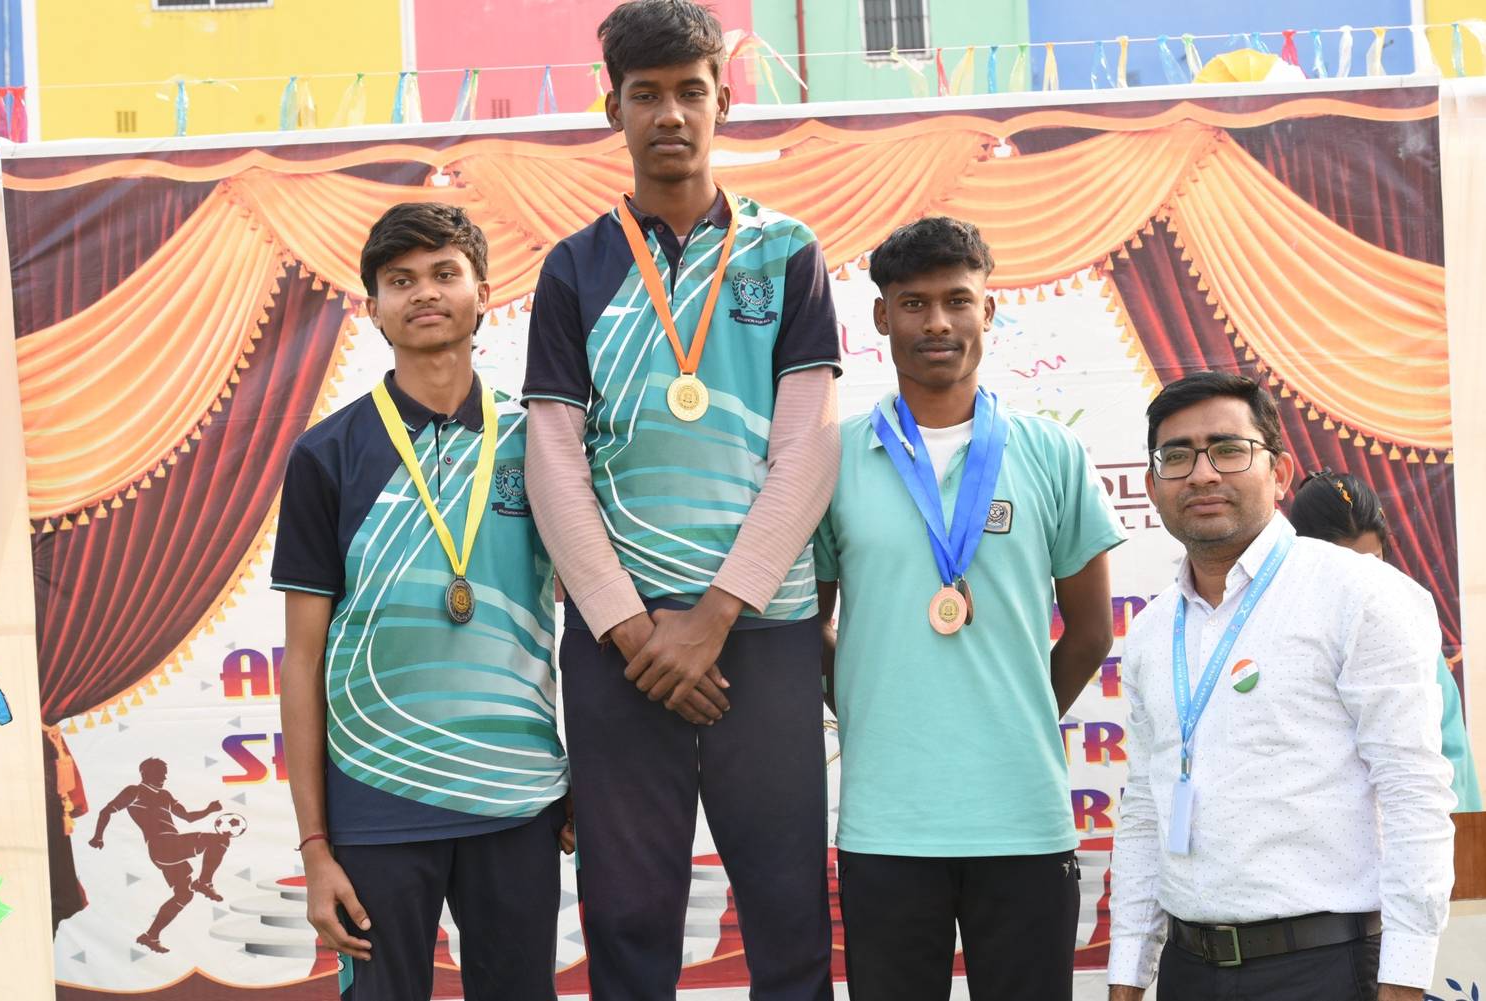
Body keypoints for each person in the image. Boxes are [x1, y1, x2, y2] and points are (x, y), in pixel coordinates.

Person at [521, 1, 841, 997]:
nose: (669, 113)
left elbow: (807, 449)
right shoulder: (574, 268)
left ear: (723, 101)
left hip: (764, 630)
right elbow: (553, 460)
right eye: (646, 94)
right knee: (625, 918)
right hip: (621, 646)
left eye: (690, 92)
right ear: (612, 109)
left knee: (788, 914)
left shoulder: (787, 251)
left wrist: (712, 617)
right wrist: (632, 631)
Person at [812, 216, 1125, 1001]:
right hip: (887, 823)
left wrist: (1014, 713)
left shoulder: (1050, 451)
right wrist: (872, 707)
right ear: (881, 316)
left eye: (957, 300)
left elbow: (1091, 630)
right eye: (913, 304)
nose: (938, 323)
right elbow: (809, 623)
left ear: (989, 310)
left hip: (1024, 818)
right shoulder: (835, 456)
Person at [273, 202, 572, 1001]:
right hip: (375, 803)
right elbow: (301, 659)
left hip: (516, 800)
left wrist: (585, 772)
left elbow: (589, 617)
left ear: (484, 293)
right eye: (400, 281)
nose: (425, 293)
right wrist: (315, 845)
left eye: (445, 273)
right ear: (374, 308)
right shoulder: (327, 454)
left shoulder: (537, 441)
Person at [1108, 371, 1456, 1001]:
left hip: (1323, 968)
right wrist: (1128, 974)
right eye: (1177, 456)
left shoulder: (1360, 594)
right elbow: (1143, 812)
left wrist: (1405, 978)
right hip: (1187, 971)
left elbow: (1413, 790)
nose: (1202, 474)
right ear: (1154, 485)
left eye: (1228, 450)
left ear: (1280, 472)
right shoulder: (1152, 631)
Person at [1291, 468, 1482, 812]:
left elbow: (1447, 752)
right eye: (1348, 566)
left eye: (1375, 561)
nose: (1367, 581)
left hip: (1417, 824)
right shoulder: (1284, 629)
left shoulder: (1406, 620)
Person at [88, 758, 230, 953]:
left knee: (184, 895)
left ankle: (151, 936)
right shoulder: (134, 791)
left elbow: (187, 817)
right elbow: (106, 811)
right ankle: (204, 882)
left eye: (165, 773)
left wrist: (208, 810)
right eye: (160, 773)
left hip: (172, 847)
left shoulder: (165, 795)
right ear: (146, 773)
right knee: (218, 840)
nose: (164, 777)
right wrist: (98, 836)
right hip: (162, 845)